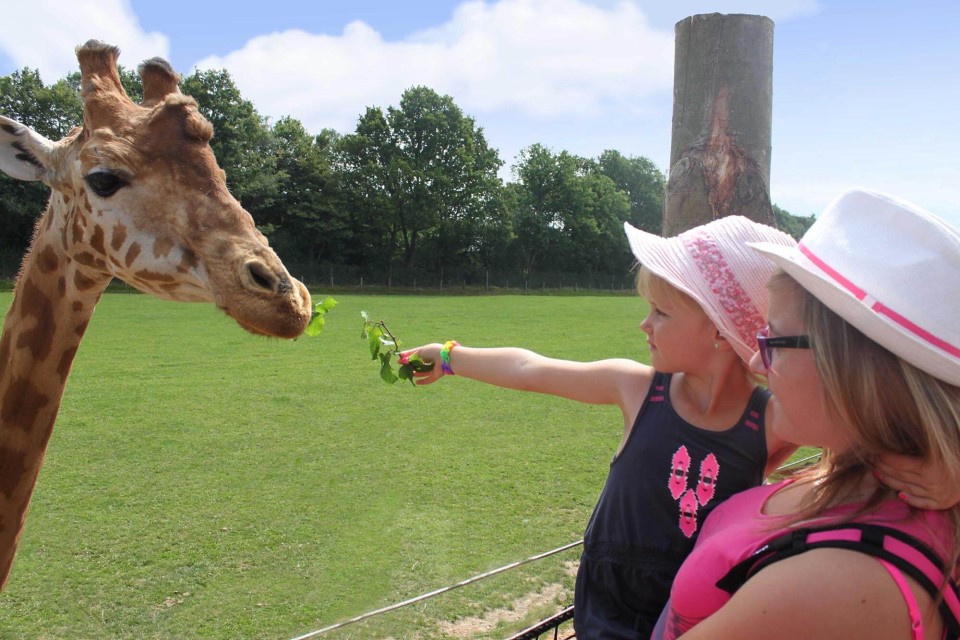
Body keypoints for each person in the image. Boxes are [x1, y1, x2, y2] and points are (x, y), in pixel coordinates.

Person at [401, 216, 801, 638]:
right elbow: (528, 368)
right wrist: (447, 358)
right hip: (607, 604)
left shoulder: (775, 420)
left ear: (721, 331)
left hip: (696, 611)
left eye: (661, 313)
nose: (644, 325)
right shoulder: (637, 388)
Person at [651, 188, 960, 640]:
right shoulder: (875, 470)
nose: (756, 363)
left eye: (772, 341)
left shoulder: (835, 587)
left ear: (856, 372)